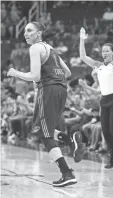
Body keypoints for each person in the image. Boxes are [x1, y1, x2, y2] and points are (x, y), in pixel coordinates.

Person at [7, 21, 79, 187]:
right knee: (40, 130)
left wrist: (16, 73)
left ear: (39, 33)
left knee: (45, 136)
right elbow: (67, 73)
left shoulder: (35, 48)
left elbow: (35, 76)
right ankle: (69, 140)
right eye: (25, 31)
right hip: (61, 89)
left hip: (48, 89)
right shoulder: (51, 49)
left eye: (30, 30)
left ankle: (66, 173)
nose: (26, 33)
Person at [79, 24, 113, 169]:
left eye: (107, 51)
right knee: (106, 130)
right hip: (105, 100)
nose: (104, 53)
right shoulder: (98, 66)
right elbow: (83, 57)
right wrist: (82, 39)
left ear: (112, 53)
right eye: (103, 51)